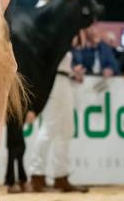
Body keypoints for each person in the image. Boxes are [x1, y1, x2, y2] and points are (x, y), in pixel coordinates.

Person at [25, 50, 88, 193]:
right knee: (49, 127)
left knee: (66, 129)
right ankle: (37, 175)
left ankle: (61, 176)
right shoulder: (50, 36)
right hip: (54, 82)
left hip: (64, 81)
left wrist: (72, 73)